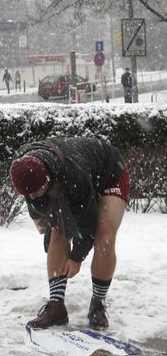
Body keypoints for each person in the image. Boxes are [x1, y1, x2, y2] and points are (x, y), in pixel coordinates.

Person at [10, 137, 129, 330]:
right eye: (27, 194)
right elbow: (32, 194)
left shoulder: (75, 177)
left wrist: (76, 258)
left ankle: (97, 304)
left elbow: (87, 224)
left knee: (104, 236)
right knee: (57, 230)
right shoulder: (23, 165)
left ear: (47, 180)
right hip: (66, 175)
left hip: (108, 174)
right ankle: (56, 307)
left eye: (35, 192)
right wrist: (40, 216)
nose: (31, 197)